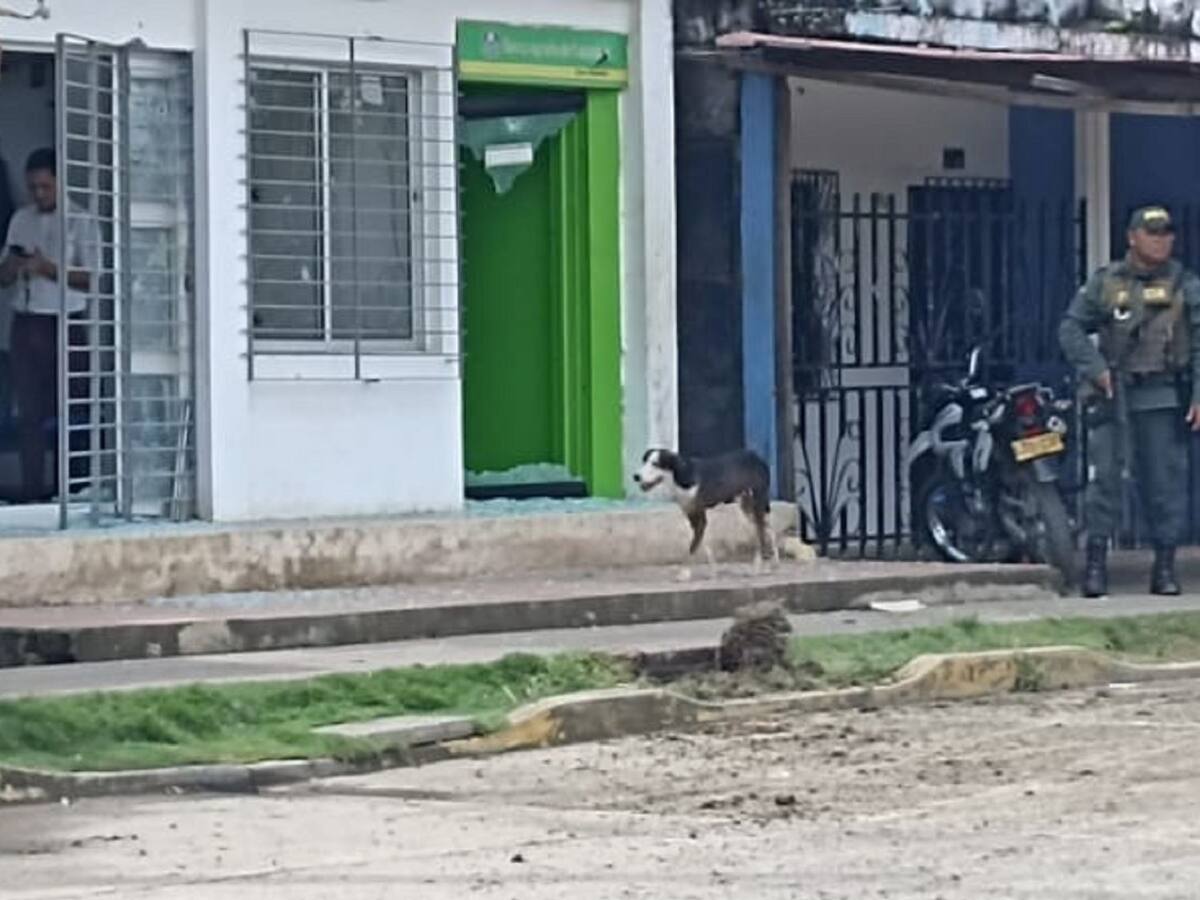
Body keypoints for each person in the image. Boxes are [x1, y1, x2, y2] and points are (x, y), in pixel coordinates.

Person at [1059, 205, 1200, 598]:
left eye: (1166, 233)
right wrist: (1096, 368)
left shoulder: (1184, 285)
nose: (1161, 240)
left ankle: (1165, 568)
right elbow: (1070, 328)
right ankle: (1095, 566)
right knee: (1104, 481)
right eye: (1152, 233)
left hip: (1161, 397)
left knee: (1164, 484)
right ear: (1132, 238)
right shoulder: (1107, 283)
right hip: (1113, 395)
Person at [0, 148, 96, 502]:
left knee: (71, 409)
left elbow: (94, 278)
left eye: (45, 187)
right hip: (26, 323)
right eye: (33, 188)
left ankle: (71, 492)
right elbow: (3, 277)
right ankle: (32, 493)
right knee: (29, 413)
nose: (38, 194)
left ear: (60, 182)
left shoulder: (81, 221)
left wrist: (48, 268)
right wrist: (13, 267)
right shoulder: (20, 219)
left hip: (65, 324)